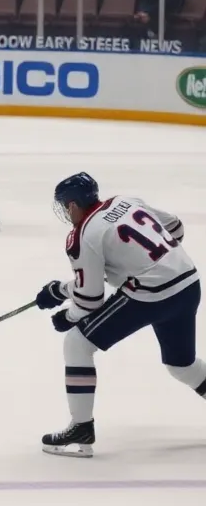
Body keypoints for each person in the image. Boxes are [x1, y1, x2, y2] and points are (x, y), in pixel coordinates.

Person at [36, 173, 204, 457]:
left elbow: (90, 299)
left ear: (73, 205)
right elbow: (175, 227)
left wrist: (68, 317)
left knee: (77, 343)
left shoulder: (83, 235)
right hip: (188, 283)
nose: (66, 212)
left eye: (65, 206)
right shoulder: (126, 201)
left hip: (153, 296)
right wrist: (61, 290)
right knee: (181, 365)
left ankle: (81, 428)